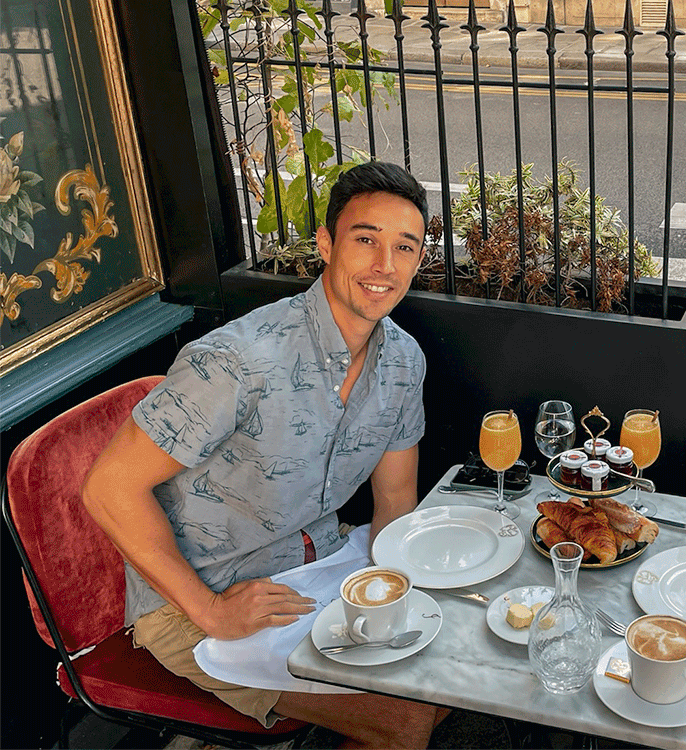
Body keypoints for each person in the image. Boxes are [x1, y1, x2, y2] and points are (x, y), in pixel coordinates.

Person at [82, 161, 447, 749]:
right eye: (365, 240)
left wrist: (396, 606)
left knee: (459, 666)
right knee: (405, 720)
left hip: (321, 561)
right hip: (203, 597)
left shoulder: (404, 361)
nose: (385, 264)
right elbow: (108, 489)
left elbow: (396, 501)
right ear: (326, 244)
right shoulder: (237, 360)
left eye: (404, 246)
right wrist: (209, 610)